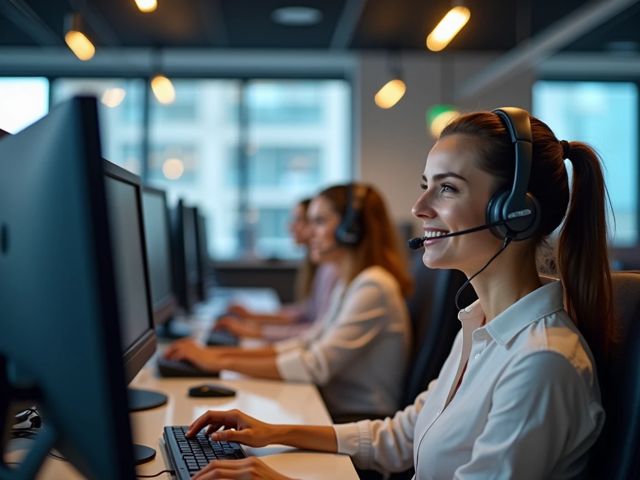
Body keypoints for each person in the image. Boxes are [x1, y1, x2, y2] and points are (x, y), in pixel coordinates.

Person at [181, 107, 614, 480]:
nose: (419, 207)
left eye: (447, 188)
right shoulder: (480, 323)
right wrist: (274, 432)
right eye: (426, 184)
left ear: (514, 212)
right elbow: (407, 433)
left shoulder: (541, 362)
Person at [165, 183, 413, 418]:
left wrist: (219, 360)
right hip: (331, 406)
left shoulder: (373, 285)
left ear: (350, 230)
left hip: (357, 417)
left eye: (319, 222)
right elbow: (307, 342)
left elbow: (315, 366)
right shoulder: (351, 282)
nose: (308, 232)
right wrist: (218, 356)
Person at [215, 197, 340, 341]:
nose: (290, 226)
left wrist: (255, 331)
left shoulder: (331, 269)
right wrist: (253, 318)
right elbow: (304, 313)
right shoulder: (319, 266)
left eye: (299, 220)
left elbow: (317, 332)